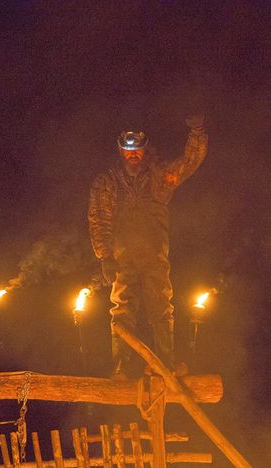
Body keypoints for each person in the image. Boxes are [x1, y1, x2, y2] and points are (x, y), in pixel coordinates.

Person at [88, 115, 208, 379]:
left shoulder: (159, 177)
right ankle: (120, 367)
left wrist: (197, 133)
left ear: (145, 150)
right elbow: (99, 219)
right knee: (122, 310)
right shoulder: (107, 182)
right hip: (122, 259)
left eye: (138, 149)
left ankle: (164, 365)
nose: (133, 154)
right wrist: (105, 256)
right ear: (120, 150)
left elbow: (188, 163)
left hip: (154, 256)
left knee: (161, 308)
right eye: (128, 149)